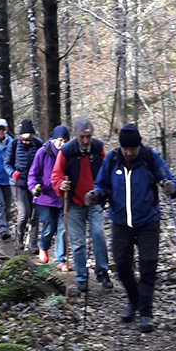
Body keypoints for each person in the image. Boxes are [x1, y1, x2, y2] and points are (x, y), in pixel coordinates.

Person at [89, 124, 176, 333]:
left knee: (148, 266)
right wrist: (95, 195)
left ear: (139, 146)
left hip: (148, 221)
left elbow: (169, 179)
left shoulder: (150, 157)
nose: (129, 153)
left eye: (132, 149)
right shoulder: (113, 159)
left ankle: (146, 313)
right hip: (120, 222)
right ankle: (134, 301)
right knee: (122, 265)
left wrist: (171, 187)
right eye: (125, 149)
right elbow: (101, 184)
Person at [50, 118, 113, 292]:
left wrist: (108, 195)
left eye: (88, 136)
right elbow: (56, 175)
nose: (85, 140)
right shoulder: (66, 151)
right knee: (78, 243)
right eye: (81, 137)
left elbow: (107, 172)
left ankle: (102, 272)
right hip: (74, 203)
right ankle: (81, 277)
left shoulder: (98, 148)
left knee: (99, 234)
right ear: (76, 135)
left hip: (94, 201)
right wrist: (61, 184)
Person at [28, 125, 70, 269]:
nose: (62, 144)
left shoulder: (68, 154)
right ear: (53, 139)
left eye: (65, 141)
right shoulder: (43, 152)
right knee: (49, 227)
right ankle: (43, 247)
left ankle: (60, 260)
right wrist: (34, 188)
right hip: (45, 197)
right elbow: (33, 173)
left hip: (62, 197)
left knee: (63, 229)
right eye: (60, 140)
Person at [5, 119, 44, 253]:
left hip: (34, 182)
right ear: (20, 136)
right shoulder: (14, 144)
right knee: (23, 213)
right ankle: (19, 239)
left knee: (35, 214)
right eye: (25, 140)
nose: (27, 142)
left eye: (29, 139)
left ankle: (33, 243)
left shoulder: (38, 144)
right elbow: (7, 163)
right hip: (18, 183)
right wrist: (12, 173)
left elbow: (43, 162)